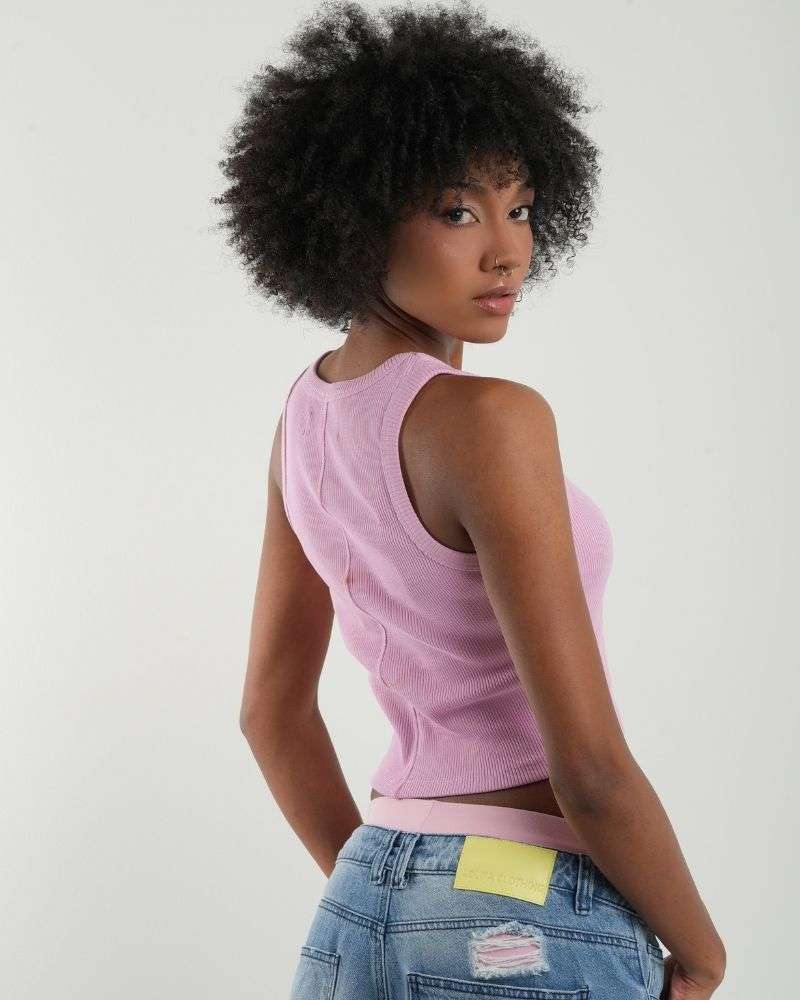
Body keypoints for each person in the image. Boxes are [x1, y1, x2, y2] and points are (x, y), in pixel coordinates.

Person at [215, 2, 726, 997]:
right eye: (457, 212)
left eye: (520, 208)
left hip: (357, 904)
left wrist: (392, 894)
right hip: (529, 911)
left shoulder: (303, 419)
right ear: (353, 219)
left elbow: (269, 714)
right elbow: (588, 769)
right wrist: (701, 952)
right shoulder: (490, 419)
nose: (505, 250)